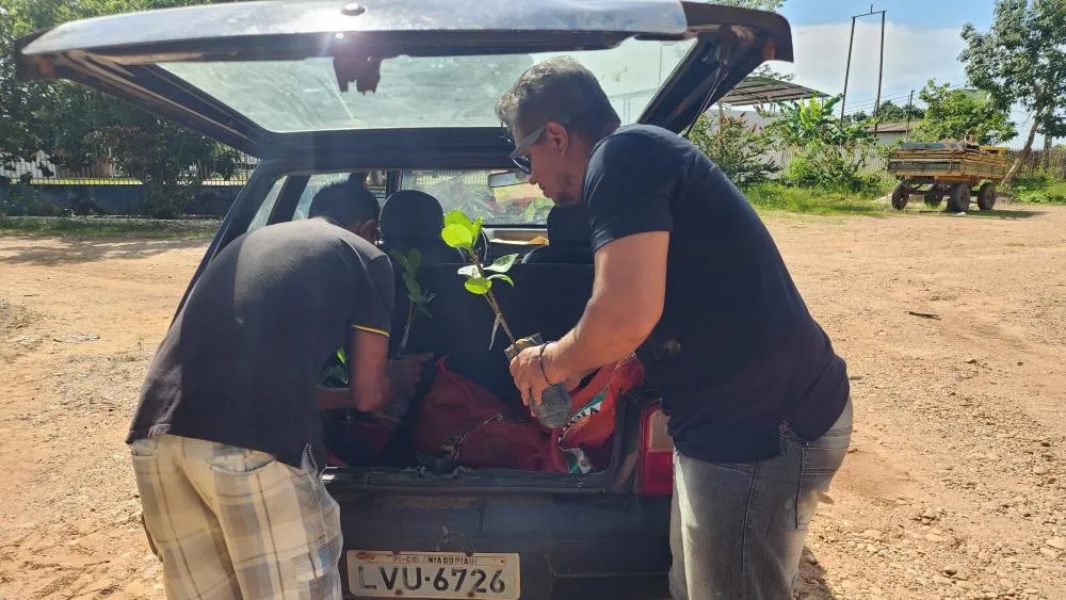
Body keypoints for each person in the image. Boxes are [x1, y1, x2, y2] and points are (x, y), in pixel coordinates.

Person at [500, 57, 852, 599]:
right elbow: (644, 321)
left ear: (555, 136)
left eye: (526, 156)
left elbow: (622, 317)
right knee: (692, 588)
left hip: (759, 426)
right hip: (726, 421)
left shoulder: (623, 156)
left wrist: (547, 363)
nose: (529, 176)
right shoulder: (636, 157)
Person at [127, 179, 427, 599]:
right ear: (368, 226)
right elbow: (368, 397)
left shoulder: (252, 243)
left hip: (157, 437)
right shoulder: (364, 255)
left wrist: (343, 396)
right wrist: (394, 378)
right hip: (255, 448)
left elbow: (265, 377)